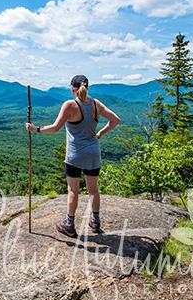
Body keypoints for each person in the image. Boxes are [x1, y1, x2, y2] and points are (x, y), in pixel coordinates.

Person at [25, 75, 121, 237]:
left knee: (73, 191)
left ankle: (69, 225)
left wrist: (36, 129)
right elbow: (115, 120)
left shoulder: (70, 105)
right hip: (93, 152)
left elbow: (55, 127)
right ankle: (95, 221)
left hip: (75, 154)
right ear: (86, 88)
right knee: (93, 190)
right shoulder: (96, 104)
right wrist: (100, 133)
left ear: (72, 88)